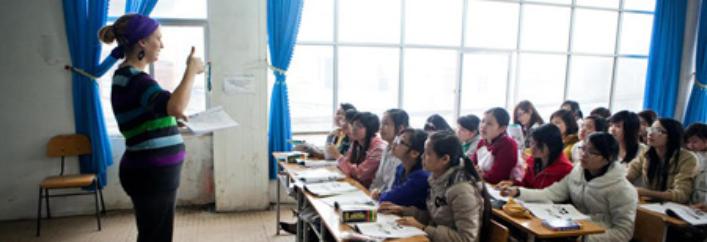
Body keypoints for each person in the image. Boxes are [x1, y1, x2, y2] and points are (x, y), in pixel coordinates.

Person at [100, 14, 205, 242]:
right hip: (151, 172)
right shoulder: (136, 79)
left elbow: (146, 116)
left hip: (150, 171)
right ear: (142, 42)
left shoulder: (127, 77)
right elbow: (175, 106)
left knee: (154, 233)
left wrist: (169, 121)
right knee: (156, 236)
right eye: (158, 38)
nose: (162, 45)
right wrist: (191, 70)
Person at [500, 133, 638, 242]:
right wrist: (518, 192)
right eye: (583, 148)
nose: (583, 154)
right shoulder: (578, 172)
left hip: (594, 236)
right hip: (572, 229)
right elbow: (551, 193)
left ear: (608, 158)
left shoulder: (622, 189)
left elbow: (623, 232)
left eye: (592, 152)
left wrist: (585, 239)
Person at [379, 131, 491, 242]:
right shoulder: (437, 178)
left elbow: (466, 239)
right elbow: (434, 216)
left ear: (445, 159)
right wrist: (404, 210)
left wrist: (424, 228)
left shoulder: (461, 191)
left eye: (428, 153)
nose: (422, 156)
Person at [626, 118, 698, 204]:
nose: (651, 133)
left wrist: (646, 192)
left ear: (672, 136)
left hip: (673, 208)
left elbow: (681, 195)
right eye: (651, 129)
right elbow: (630, 174)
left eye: (658, 131)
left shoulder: (688, 158)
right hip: (648, 204)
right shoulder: (647, 153)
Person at [496, 124, 572, 190]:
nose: (533, 148)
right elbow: (526, 185)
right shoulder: (533, 161)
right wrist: (512, 184)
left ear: (553, 145)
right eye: (532, 143)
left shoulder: (565, 169)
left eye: (539, 145)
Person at [372, 128, 430, 210]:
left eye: (401, 142)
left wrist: (380, 195)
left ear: (414, 153)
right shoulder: (401, 168)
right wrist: (381, 195)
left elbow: (391, 199)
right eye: (397, 139)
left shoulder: (421, 177)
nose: (395, 143)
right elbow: (393, 192)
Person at [338, 112, 387, 189]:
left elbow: (359, 174)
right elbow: (346, 164)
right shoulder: (356, 142)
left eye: (359, 126)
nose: (354, 128)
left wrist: (338, 157)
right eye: (353, 125)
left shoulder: (378, 148)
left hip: (369, 190)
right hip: (357, 185)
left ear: (370, 129)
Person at [471, 107, 520, 184]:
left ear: (502, 128)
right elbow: (472, 165)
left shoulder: (508, 145)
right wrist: (476, 172)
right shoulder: (482, 142)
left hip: (499, 189)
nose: (483, 126)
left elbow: (497, 178)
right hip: (482, 183)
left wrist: (479, 174)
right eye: (483, 121)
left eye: (489, 123)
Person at [370, 109, 409, 194]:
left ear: (400, 128)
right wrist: (370, 193)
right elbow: (378, 179)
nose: (381, 127)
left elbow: (392, 186)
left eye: (386, 124)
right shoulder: (387, 148)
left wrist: (379, 195)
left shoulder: (403, 154)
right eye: (381, 123)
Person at [686, 123, 707, 204]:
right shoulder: (692, 156)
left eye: (695, 141)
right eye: (688, 142)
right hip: (690, 203)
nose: (690, 145)